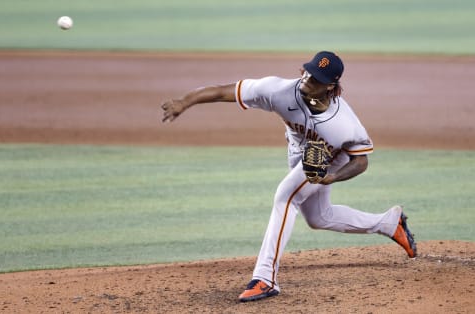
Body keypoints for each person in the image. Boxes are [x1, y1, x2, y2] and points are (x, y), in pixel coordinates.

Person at [161, 51, 417, 302]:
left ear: (331, 86)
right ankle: (389, 223)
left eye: (316, 78)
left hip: (327, 156)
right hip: (298, 149)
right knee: (319, 217)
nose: (307, 79)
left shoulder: (344, 125)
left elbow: (361, 161)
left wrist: (333, 176)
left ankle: (265, 278)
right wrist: (185, 102)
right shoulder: (278, 90)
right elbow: (222, 91)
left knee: (285, 197)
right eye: (308, 72)